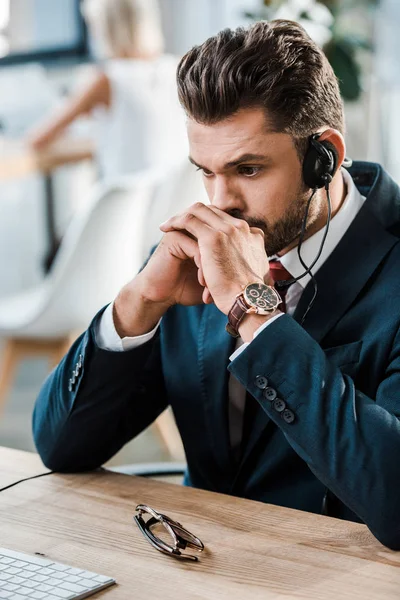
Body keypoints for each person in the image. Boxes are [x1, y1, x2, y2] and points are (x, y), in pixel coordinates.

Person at [33, 20, 400, 549]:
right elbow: (60, 447)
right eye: (204, 170)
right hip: (195, 564)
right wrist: (138, 301)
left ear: (326, 158)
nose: (220, 200)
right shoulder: (193, 255)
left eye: (247, 169)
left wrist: (255, 313)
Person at [26, 0, 187, 179]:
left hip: (123, 202)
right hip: (166, 201)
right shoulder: (177, 67)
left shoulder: (107, 79)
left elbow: (37, 139)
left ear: (104, 29)